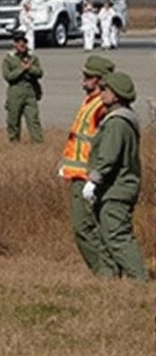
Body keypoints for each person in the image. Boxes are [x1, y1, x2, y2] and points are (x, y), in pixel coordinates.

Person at [83, 71, 146, 280]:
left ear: (116, 95)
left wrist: (93, 180)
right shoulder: (123, 118)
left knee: (117, 235)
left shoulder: (117, 122)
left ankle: (139, 279)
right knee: (107, 233)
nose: (101, 93)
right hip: (117, 187)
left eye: (106, 90)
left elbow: (108, 157)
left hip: (117, 188)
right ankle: (111, 279)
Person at [58, 55, 115, 276]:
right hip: (78, 173)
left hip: (88, 176)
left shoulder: (102, 105)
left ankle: (105, 273)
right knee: (88, 226)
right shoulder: (91, 101)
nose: (84, 80)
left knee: (85, 228)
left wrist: (95, 175)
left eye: (88, 77)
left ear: (100, 80)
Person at [2, 33, 44, 143]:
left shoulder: (32, 58)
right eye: (19, 42)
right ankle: (14, 142)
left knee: (33, 119)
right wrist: (21, 69)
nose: (22, 44)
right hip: (15, 91)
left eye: (24, 42)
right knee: (13, 120)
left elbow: (40, 73)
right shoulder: (9, 59)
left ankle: (37, 142)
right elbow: (8, 77)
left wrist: (30, 68)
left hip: (30, 92)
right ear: (15, 44)